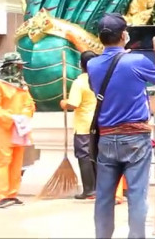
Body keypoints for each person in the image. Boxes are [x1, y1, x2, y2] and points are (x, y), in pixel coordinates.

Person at [87, 13, 155, 239]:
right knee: (136, 195)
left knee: (104, 196)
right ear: (124, 35)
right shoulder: (136, 61)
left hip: (106, 139)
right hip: (135, 139)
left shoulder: (93, 65)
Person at [0, 52, 36, 208]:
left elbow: (29, 104)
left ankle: (12, 194)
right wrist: (12, 118)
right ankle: (0, 195)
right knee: (2, 162)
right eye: (17, 65)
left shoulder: (22, 85)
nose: (20, 68)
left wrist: (24, 116)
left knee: (16, 163)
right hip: (2, 130)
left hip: (19, 129)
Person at [61, 50, 99, 200]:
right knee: (96, 156)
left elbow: (73, 104)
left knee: (84, 156)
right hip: (99, 123)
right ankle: (98, 188)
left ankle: (89, 189)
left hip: (84, 125)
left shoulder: (80, 82)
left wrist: (64, 103)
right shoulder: (100, 80)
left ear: (80, 64)